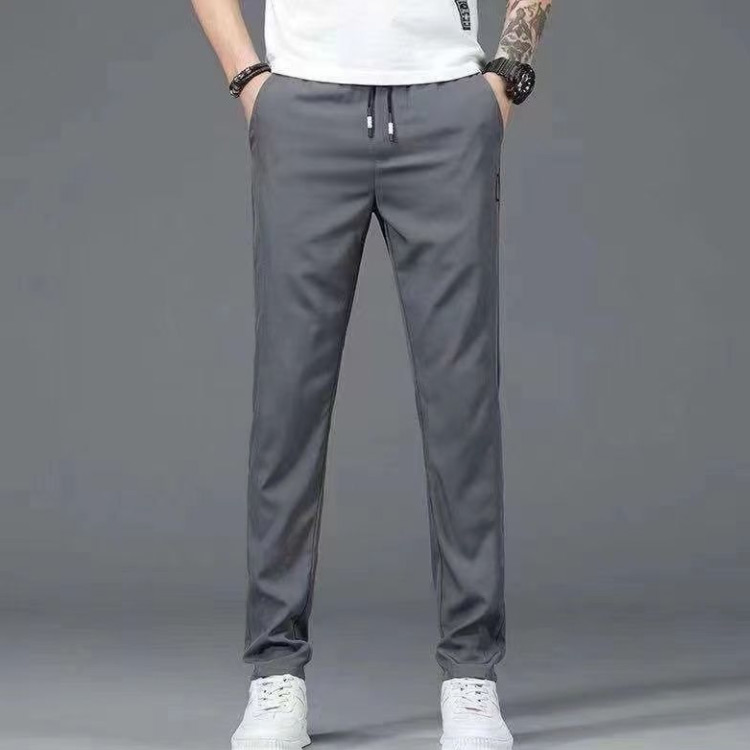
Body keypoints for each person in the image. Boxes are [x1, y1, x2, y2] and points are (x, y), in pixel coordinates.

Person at [190, 1, 552, 748]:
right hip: (305, 108)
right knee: (287, 404)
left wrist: (508, 74)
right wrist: (248, 79)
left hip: (447, 108)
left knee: (462, 405)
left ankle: (471, 673)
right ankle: (275, 672)